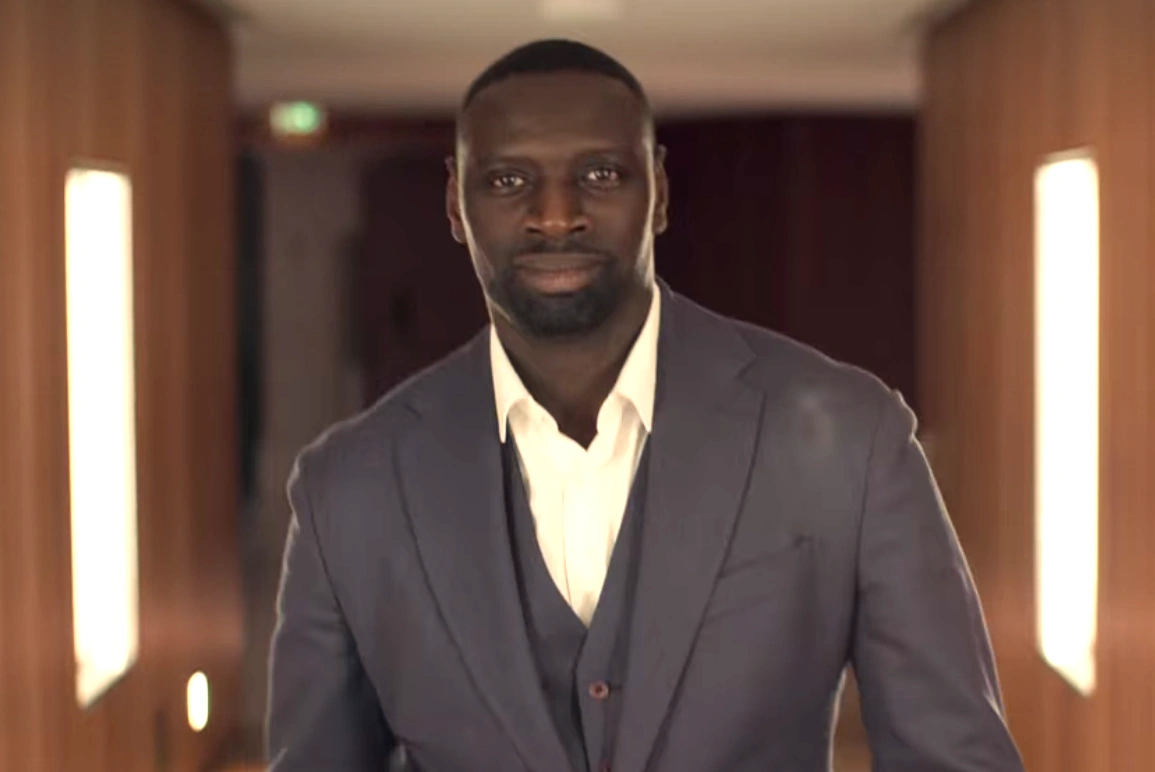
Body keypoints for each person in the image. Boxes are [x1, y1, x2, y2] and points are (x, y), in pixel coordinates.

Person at [266, 39, 1025, 772]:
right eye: (507, 180)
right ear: (454, 205)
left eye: (599, 174)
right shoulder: (346, 489)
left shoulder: (855, 438)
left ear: (658, 190)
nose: (555, 215)